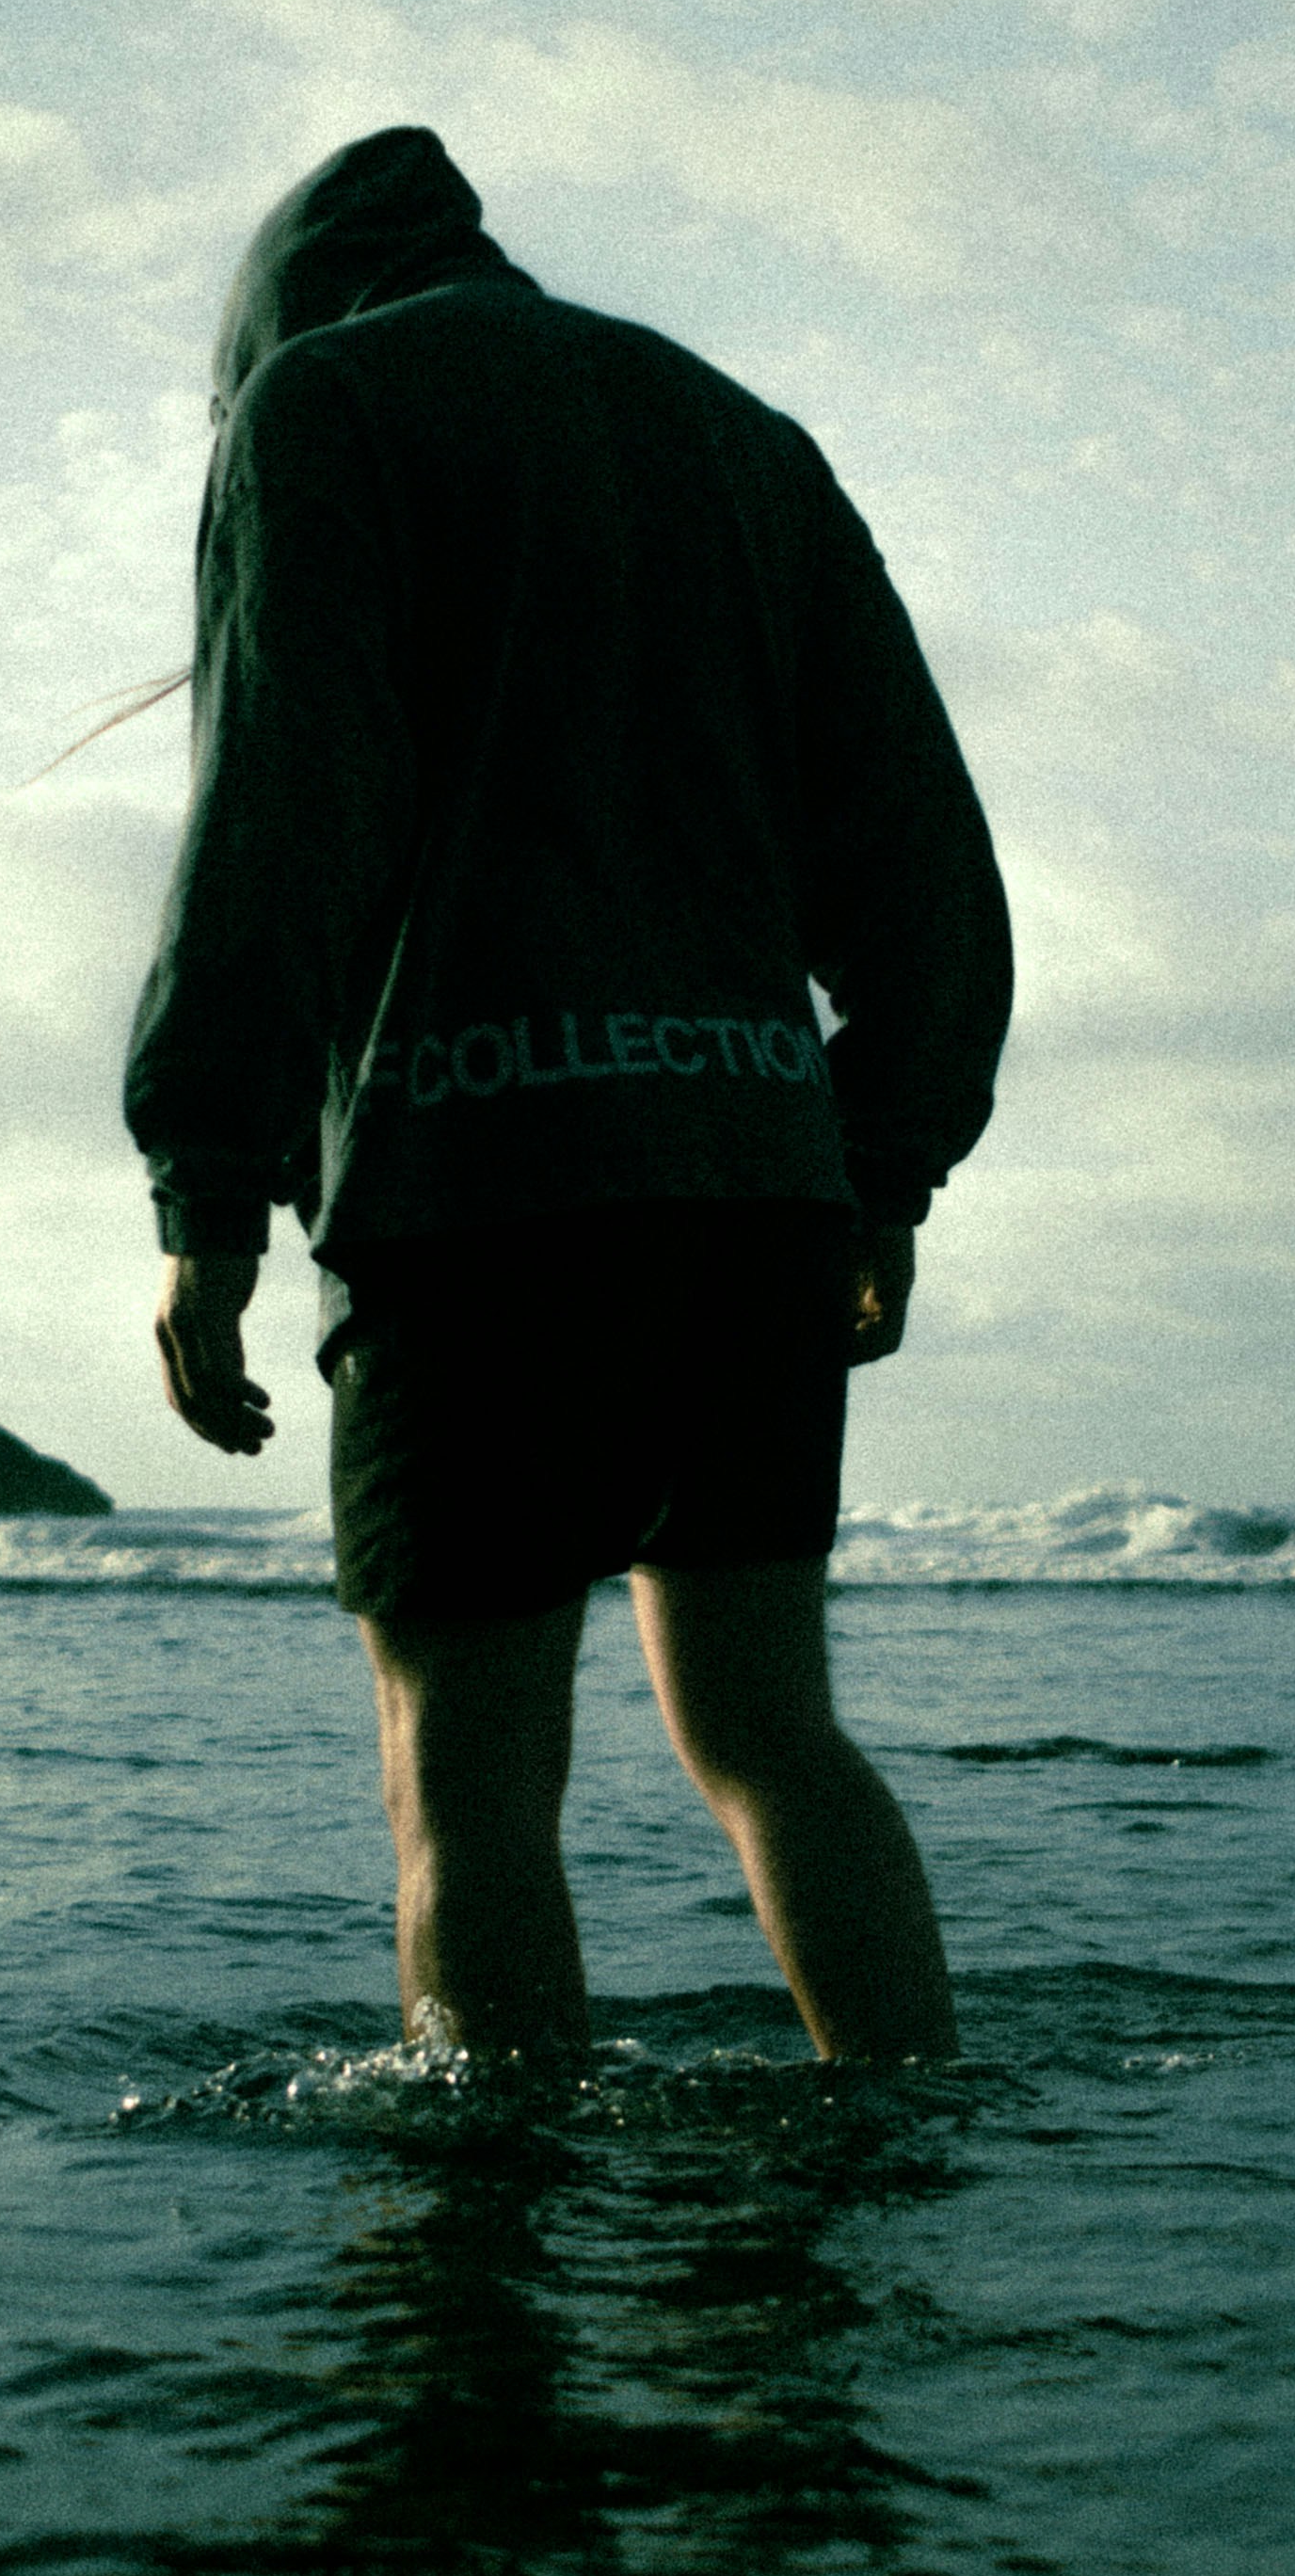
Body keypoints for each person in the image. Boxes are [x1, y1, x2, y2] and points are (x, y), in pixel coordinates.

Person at [125, 127, 1013, 2062]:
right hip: (753, 1186)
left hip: (482, 1186)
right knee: (773, 1736)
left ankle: (477, 2297)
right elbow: (921, 856)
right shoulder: (742, 434)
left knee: (463, 1780)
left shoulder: (322, 405)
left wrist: (210, 1189)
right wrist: (881, 1171)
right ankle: (888, 2196)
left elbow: (286, 806)